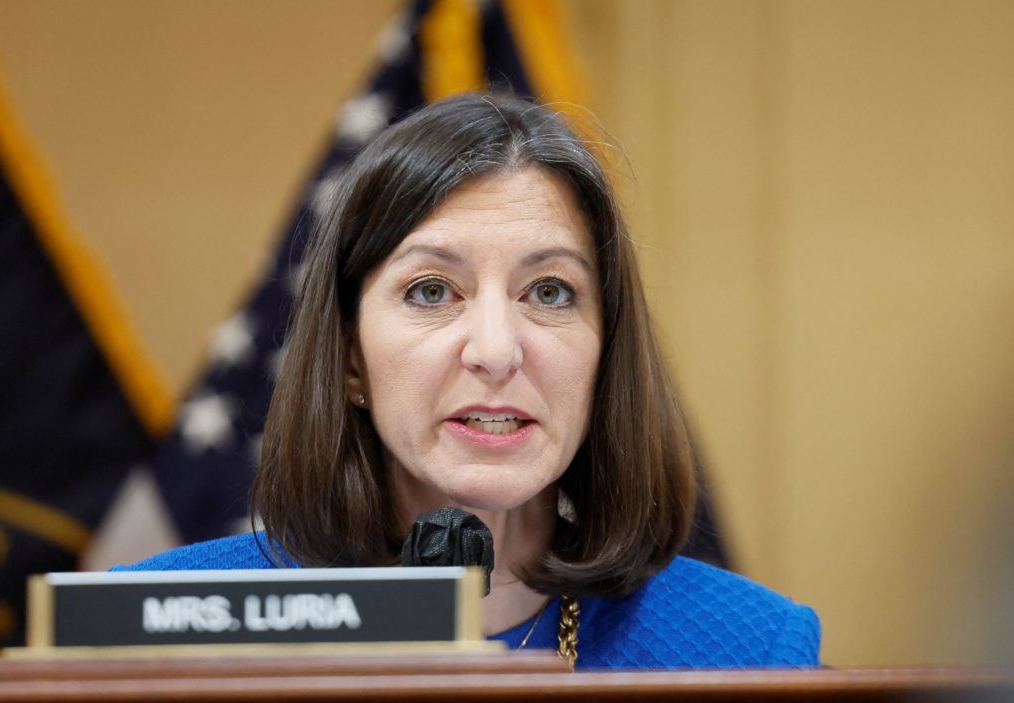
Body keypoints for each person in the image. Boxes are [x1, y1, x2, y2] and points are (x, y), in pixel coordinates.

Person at [117, 93, 820, 669]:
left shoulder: (750, 648)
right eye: (431, 291)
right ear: (351, 358)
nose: (494, 349)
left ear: (604, 355)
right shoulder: (155, 631)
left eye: (549, 292)